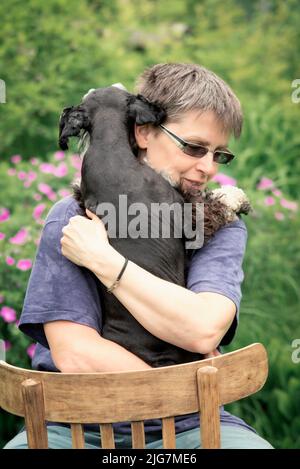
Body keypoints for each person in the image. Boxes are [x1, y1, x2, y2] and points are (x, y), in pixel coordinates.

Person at [4, 63, 273, 449]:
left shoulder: (219, 221)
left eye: (220, 155)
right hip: (75, 422)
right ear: (143, 130)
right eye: (195, 147)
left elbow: (202, 328)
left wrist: (103, 259)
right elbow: (77, 355)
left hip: (189, 427)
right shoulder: (74, 217)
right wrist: (183, 384)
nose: (208, 168)